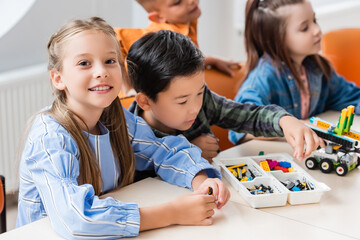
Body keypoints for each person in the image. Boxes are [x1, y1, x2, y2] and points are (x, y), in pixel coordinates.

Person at [16, 17, 230, 240]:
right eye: (84, 63)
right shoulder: (50, 137)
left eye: (110, 60)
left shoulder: (115, 117)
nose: (102, 71)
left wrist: (201, 179)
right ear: (58, 78)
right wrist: (172, 213)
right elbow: (76, 219)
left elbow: (164, 150)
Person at [126, 30, 324, 163]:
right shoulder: (128, 135)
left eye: (200, 92)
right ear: (145, 102)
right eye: (183, 101)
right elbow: (140, 185)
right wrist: (188, 152)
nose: (195, 106)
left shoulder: (203, 102)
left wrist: (284, 120)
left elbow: (247, 116)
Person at [229, 0, 360, 145]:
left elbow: (351, 97)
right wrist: (287, 125)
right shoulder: (262, 79)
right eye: (304, 28)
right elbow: (239, 127)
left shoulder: (317, 68)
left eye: (314, 20)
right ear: (276, 39)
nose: (317, 30)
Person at [115, 0, 241, 95]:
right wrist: (129, 89)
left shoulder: (185, 20)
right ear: (159, 17)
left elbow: (181, 62)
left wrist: (211, 60)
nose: (190, 1)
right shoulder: (161, 36)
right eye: (177, 2)